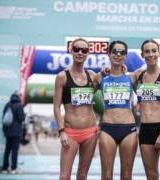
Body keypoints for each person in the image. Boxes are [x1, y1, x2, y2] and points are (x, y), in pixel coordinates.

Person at [53, 37, 99, 180]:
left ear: (88, 53)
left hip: (90, 132)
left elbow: (111, 78)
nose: (80, 52)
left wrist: (119, 68)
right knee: (64, 176)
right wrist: (62, 131)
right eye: (76, 49)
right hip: (70, 132)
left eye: (84, 50)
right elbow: (56, 107)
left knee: (82, 175)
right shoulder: (62, 77)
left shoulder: (92, 75)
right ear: (71, 51)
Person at [133, 39, 160, 180]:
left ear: (159, 53)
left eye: (154, 51)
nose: (150, 54)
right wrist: (107, 70)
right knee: (151, 176)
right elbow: (118, 75)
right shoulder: (137, 75)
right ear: (142, 55)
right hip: (146, 130)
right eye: (147, 51)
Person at [94, 40, 138, 180]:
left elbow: (147, 98)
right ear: (109, 54)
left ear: (126, 56)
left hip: (128, 129)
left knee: (126, 175)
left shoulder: (132, 77)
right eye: (115, 52)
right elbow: (83, 97)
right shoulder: (100, 77)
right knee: (106, 176)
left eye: (122, 52)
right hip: (108, 129)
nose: (118, 55)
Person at [2, 90, 26, 174]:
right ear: (19, 96)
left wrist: (4, 131)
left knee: (7, 149)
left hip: (8, 131)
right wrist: (24, 114)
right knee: (14, 150)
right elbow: (21, 118)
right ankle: (13, 168)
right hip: (16, 131)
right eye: (21, 96)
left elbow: (4, 119)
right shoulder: (19, 106)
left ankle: (4, 168)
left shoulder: (7, 105)